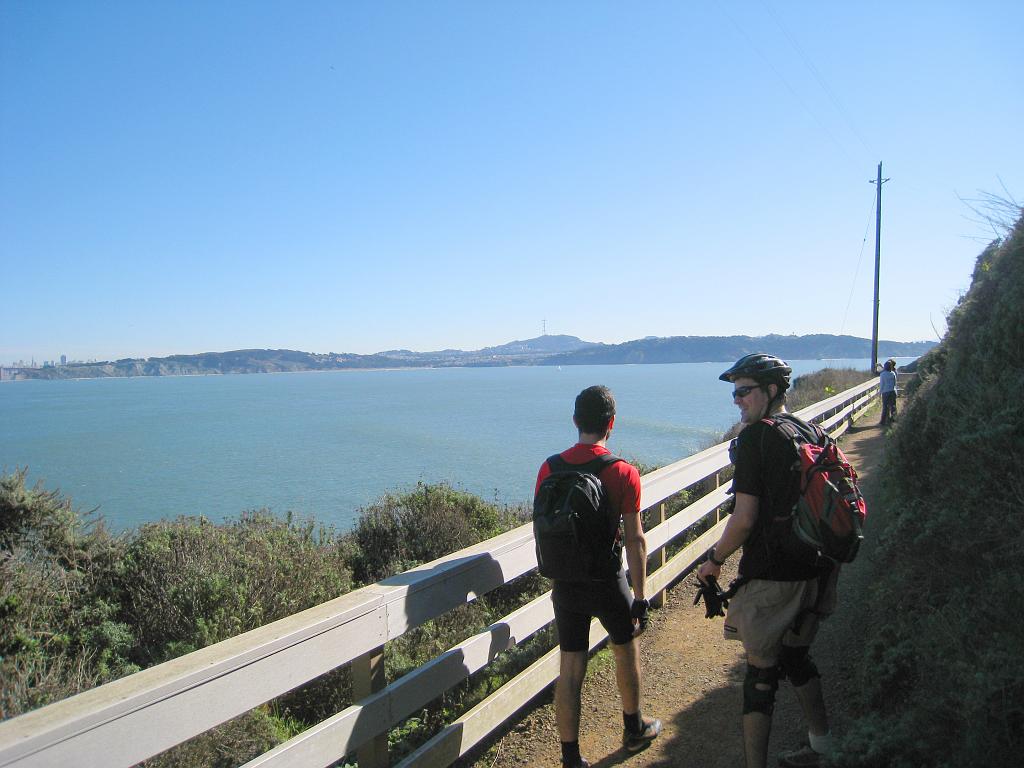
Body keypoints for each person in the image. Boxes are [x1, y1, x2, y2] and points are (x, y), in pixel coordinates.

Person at [697, 354, 839, 768]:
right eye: (734, 392)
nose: (736, 401)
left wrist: (714, 559)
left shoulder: (758, 438)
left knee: (760, 676)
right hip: (817, 565)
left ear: (771, 391)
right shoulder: (810, 429)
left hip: (775, 574)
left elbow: (743, 520)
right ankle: (823, 745)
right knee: (796, 657)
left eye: (744, 391)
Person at [536, 385, 662, 768]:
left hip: (566, 584)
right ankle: (634, 727)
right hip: (608, 581)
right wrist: (641, 595)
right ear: (611, 424)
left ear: (575, 421)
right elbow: (636, 538)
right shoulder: (623, 472)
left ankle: (571, 758)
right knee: (625, 647)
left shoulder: (549, 467)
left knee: (571, 665)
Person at [879, 359, 898, 425]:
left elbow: (882, 384)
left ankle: (883, 421)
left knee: (885, 406)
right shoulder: (893, 373)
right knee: (893, 406)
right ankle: (894, 419)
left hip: (885, 392)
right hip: (893, 391)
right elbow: (895, 383)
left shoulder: (882, 374)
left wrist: (880, 392)